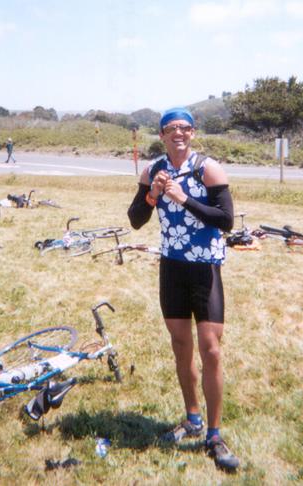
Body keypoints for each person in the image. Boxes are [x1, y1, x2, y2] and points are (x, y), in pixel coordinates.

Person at [127, 107, 239, 472]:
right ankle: (192, 418)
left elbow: (225, 220)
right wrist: (152, 195)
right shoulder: (153, 171)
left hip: (205, 268)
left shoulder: (208, 169)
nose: (179, 133)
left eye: (185, 128)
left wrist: (183, 198)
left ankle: (214, 434)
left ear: (192, 133)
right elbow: (135, 220)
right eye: (171, 128)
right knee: (180, 345)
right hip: (172, 268)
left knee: (211, 350)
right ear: (161, 134)